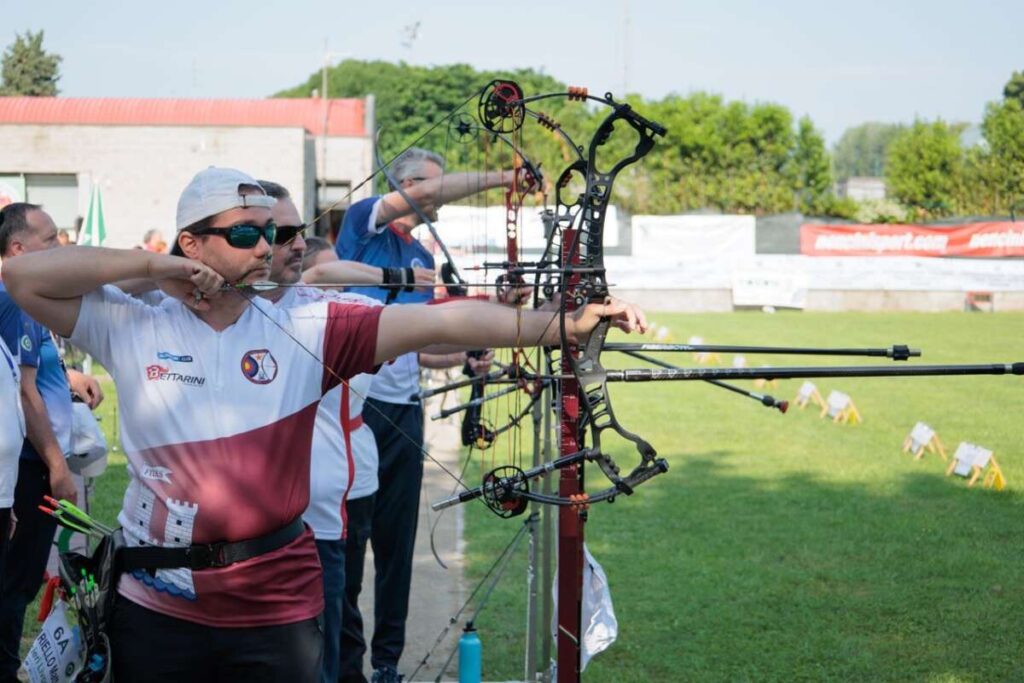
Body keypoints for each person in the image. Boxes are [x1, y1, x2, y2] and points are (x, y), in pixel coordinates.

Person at [1, 167, 645, 683]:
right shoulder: (129, 319)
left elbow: (442, 322)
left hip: (274, 602)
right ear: (192, 243)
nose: (271, 247)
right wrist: (153, 267)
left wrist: (558, 325)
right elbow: (21, 273)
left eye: (274, 233)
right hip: (156, 600)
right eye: (245, 235)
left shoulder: (311, 319)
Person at [335, 148, 510, 682]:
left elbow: (419, 347)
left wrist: (467, 356)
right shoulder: (363, 225)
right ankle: (347, 666)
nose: (441, 197)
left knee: (396, 549)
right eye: (433, 187)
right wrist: (504, 176)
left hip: (404, 416)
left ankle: (386, 662)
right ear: (408, 185)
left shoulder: (421, 259)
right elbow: (429, 195)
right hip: (357, 412)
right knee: (348, 546)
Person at [0, 203, 104, 682]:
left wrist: (67, 372)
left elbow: (29, 373)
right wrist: (58, 466)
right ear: (18, 250)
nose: (59, 247)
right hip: (29, 466)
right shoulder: (13, 299)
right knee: (14, 583)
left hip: (32, 463)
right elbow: (23, 393)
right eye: (49, 238)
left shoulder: (28, 300)